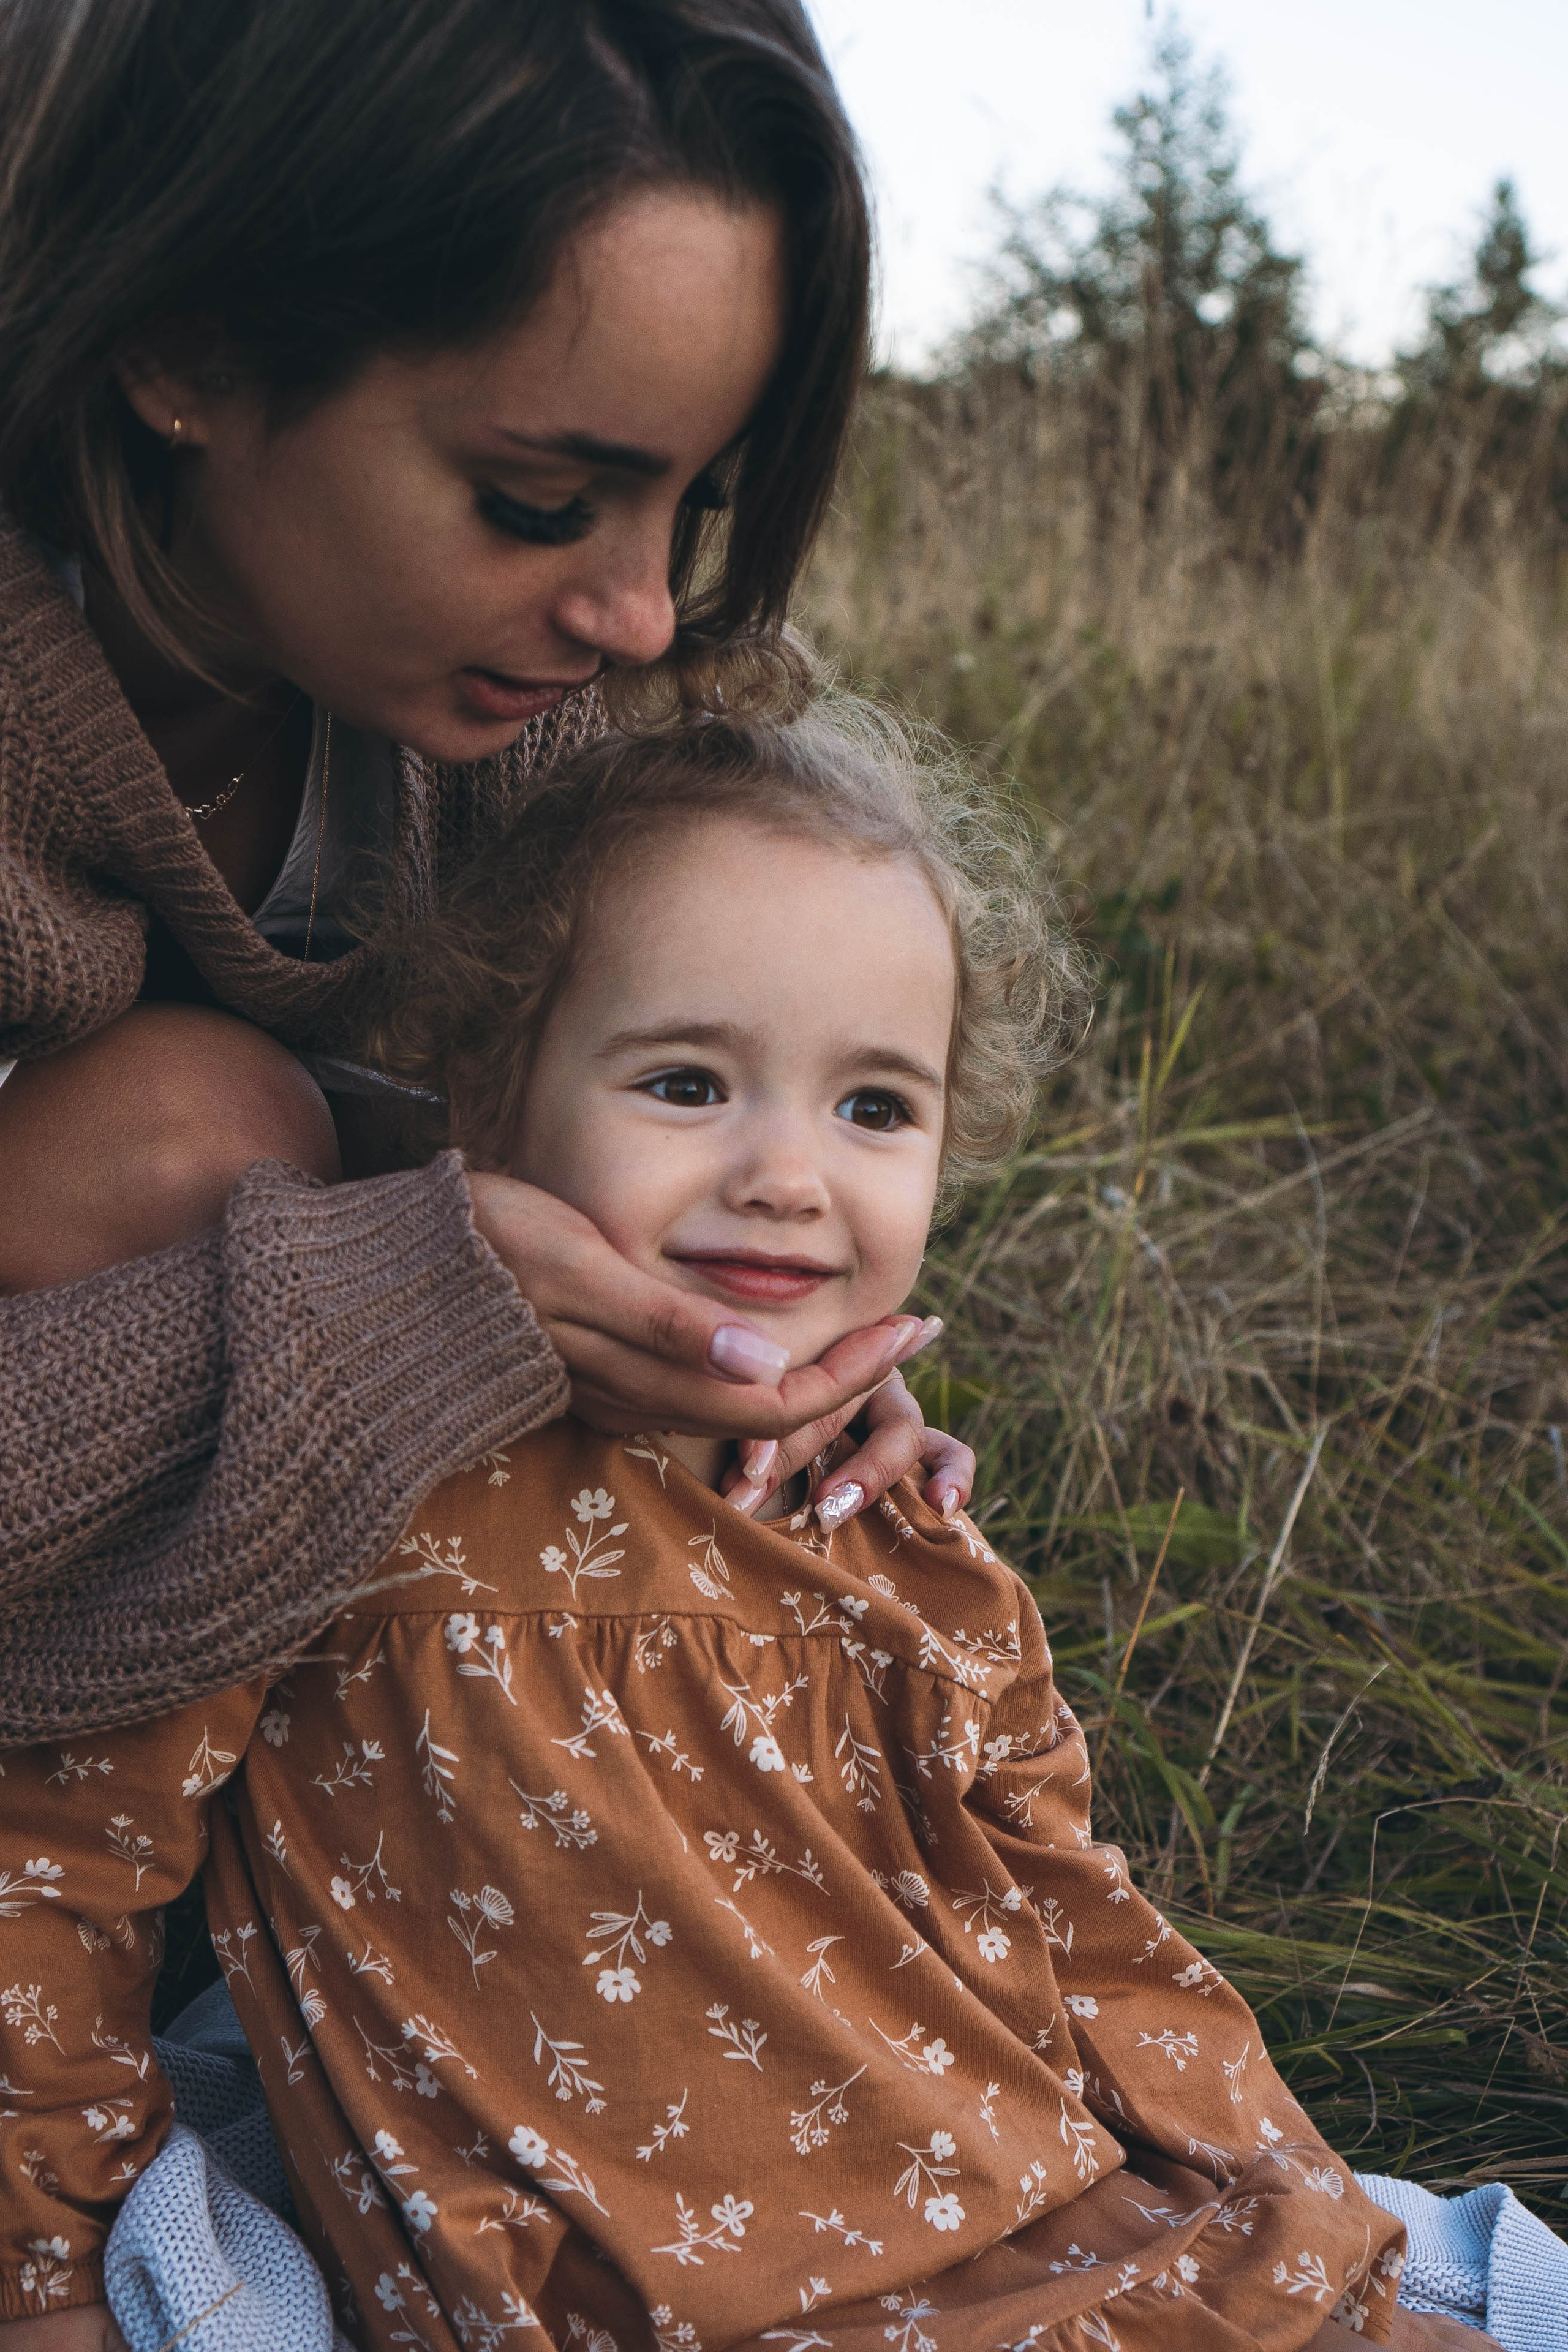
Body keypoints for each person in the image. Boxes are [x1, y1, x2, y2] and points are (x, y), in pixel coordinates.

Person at [0, 706, 1492, 2351]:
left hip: (1034, 2234)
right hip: (626, 2297)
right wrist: (46, 2274)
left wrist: (1304, 2221)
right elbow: (60, 1864)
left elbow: (1079, 1923)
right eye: (687, 1084)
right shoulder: (342, 1473)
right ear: (483, 1101)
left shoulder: (901, 1531)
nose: (788, 1175)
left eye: (876, 1109)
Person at [0, 0, 971, 1748]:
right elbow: (398, 1250)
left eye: (697, 506)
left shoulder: (537, 726)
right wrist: (418, 1302)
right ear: (188, 353)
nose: (642, 616)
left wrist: (752, 1363)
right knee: (193, 1130)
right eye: (538, 500)